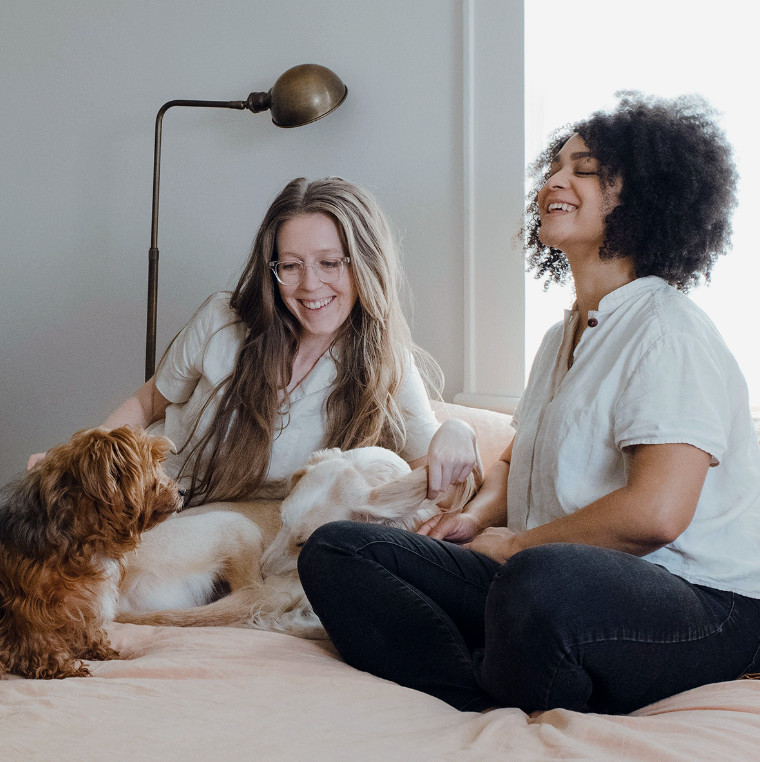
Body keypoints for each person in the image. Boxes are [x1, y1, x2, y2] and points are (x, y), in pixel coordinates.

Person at [297, 93, 760, 714]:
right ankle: (484, 691)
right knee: (338, 550)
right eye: (554, 167)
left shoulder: (667, 330)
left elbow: (657, 513)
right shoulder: (562, 336)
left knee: (540, 584)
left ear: (647, 196)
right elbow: (518, 462)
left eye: (584, 170)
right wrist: (477, 520)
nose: (554, 182)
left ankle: (510, 666)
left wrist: (518, 545)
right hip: (542, 575)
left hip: (700, 602)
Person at [28, 177, 478, 504]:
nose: (310, 285)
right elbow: (148, 405)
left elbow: (432, 476)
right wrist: (72, 463)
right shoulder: (223, 320)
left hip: (253, 535)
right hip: (157, 504)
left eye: (329, 263)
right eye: (291, 265)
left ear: (364, 264)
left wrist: (458, 430)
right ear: (272, 269)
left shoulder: (386, 361)